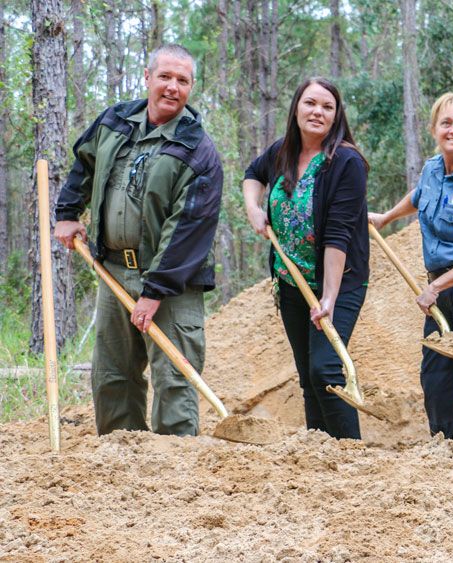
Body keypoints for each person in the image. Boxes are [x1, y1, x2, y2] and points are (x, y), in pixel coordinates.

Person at [54, 44, 223, 436]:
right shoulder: (115, 120)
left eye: (182, 80)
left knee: (174, 378)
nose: (172, 87)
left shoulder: (199, 151)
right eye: (165, 76)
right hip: (113, 269)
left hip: (173, 285)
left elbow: (189, 228)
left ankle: (175, 467)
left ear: (191, 87)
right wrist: (67, 214)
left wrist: (155, 290)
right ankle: (121, 458)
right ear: (147, 78)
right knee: (113, 374)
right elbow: (84, 160)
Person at [369, 92, 453, 441]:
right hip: (443, 290)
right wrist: (386, 218)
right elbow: (418, 196)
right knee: (436, 375)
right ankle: (448, 447)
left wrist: (435, 287)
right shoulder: (433, 168)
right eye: (446, 123)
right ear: (434, 128)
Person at [242, 78, 370, 440]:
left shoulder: (347, 162)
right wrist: (253, 208)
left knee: (327, 368)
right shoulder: (282, 152)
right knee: (308, 375)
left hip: (339, 282)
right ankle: (319, 451)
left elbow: (338, 235)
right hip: (290, 281)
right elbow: (253, 175)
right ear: (296, 107)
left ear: (336, 116)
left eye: (327, 107)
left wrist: (328, 297)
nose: (318, 112)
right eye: (311, 103)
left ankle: (350, 454)